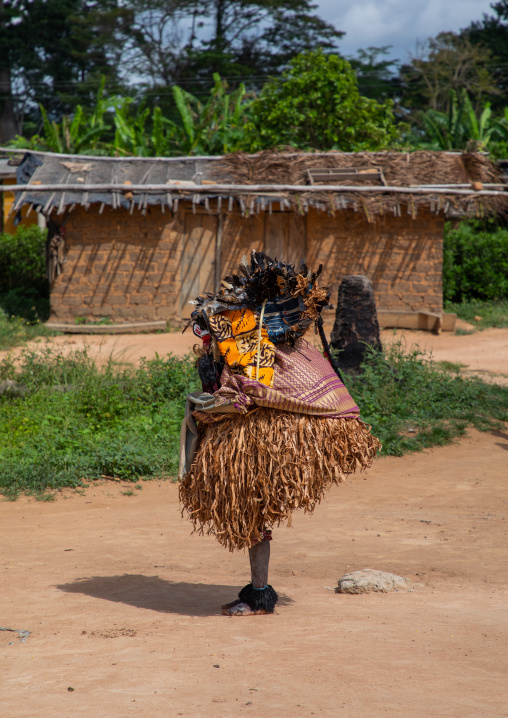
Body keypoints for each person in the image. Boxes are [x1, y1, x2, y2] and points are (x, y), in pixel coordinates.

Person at [179, 251, 380, 616]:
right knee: (256, 511)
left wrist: (219, 400)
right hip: (264, 437)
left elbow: (248, 391)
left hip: (268, 442)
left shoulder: (259, 348)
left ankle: (259, 595)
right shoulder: (281, 348)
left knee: (254, 509)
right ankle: (258, 592)